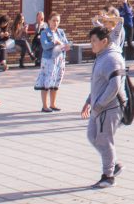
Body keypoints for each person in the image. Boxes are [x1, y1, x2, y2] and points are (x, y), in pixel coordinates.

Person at [80, 26, 126, 189]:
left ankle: (108, 176)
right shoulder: (101, 56)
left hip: (109, 108)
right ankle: (114, 165)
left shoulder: (112, 59)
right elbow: (98, 83)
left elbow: (114, 86)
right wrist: (89, 101)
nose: (91, 44)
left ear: (104, 41)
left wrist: (99, 105)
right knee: (93, 136)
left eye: (94, 41)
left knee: (104, 139)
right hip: (98, 106)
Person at [34, 13, 69, 112]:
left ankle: (53, 104)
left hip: (60, 60)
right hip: (49, 60)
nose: (55, 23)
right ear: (48, 21)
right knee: (46, 81)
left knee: (56, 81)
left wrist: (67, 46)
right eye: (53, 20)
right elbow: (45, 46)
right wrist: (54, 42)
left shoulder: (61, 32)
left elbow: (66, 43)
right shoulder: (44, 32)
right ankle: (44, 106)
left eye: (57, 21)